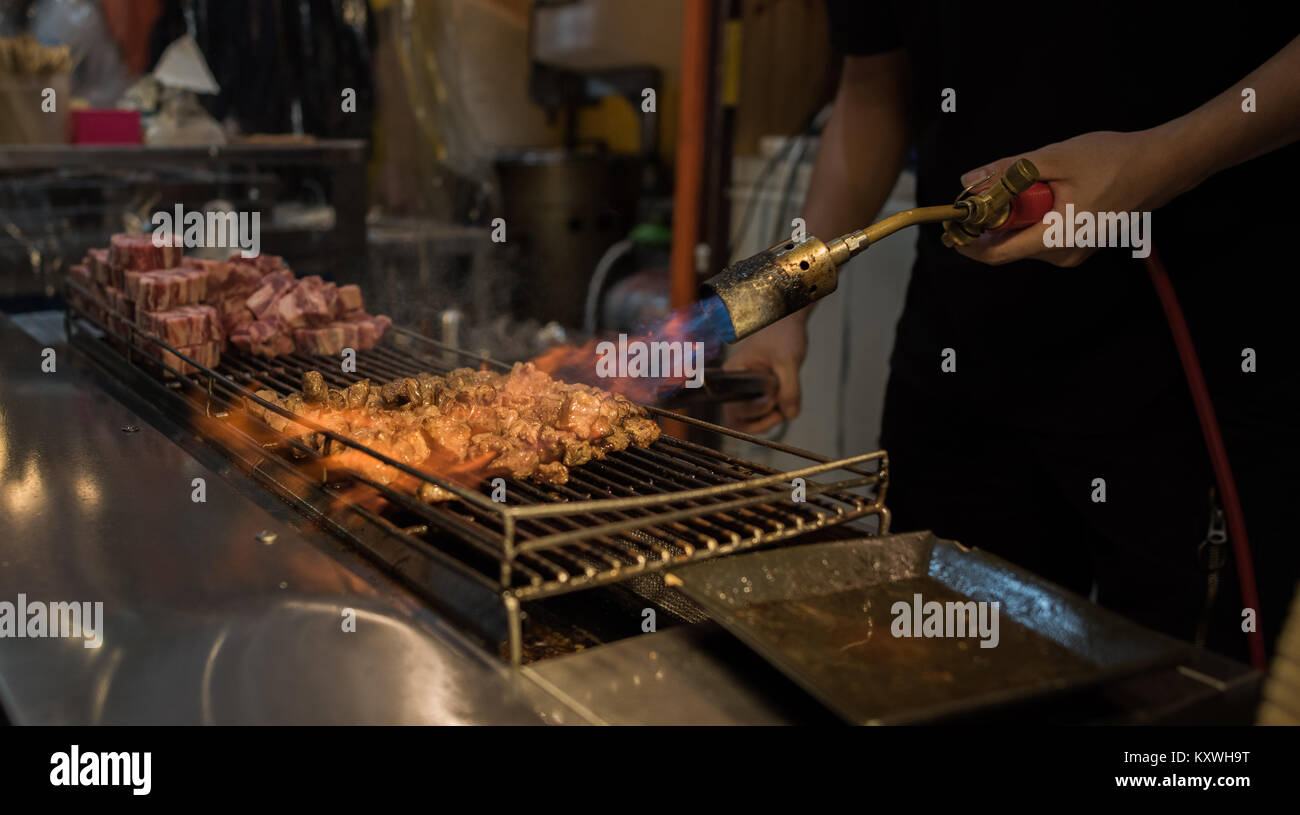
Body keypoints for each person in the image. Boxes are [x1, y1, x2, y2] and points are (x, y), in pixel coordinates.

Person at [724, 1, 1300, 661]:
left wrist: (1168, 158)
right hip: (959, 354)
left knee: (1178, 701)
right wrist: (780, 306)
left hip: (1194, 351)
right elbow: (871, 93)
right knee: (933, 658)